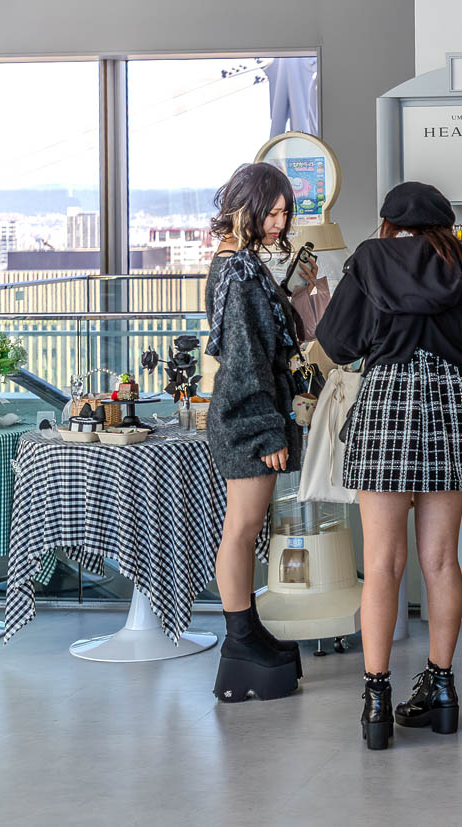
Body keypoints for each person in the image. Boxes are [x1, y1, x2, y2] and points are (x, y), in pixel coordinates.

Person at [315, 182, 462, 750]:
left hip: (385, 402)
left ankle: (376, 699)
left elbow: (335, 343)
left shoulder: (368, 260)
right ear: (444, 224)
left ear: (388, 223)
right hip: (450, 406)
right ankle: (441, 689)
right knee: (440, 560)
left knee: (383, 561)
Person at [206, 162, 317, 702]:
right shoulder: (239, 271)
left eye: (284, 213)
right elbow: (245, 357)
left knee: (246, 527)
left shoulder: (239, 264)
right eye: (270, 211)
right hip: (247, 415)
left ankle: (246, 634)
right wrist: (266, 429)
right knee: (243, 527)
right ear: (244, 207)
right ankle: (239, 638)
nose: (279, 222)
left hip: (246, 409)